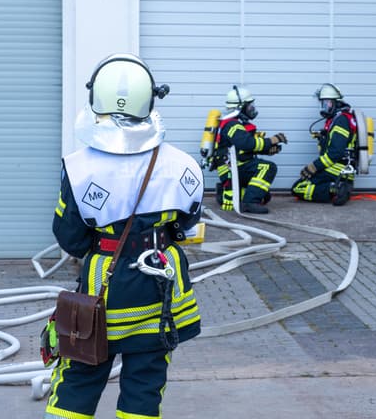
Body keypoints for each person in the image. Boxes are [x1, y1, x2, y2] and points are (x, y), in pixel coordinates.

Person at [44, 54, 202, 419]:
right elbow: (187, 224)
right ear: (151, 99)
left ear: (94, 98)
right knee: (146, 385)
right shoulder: (183, 164)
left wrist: (102, 247)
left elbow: (69, 236)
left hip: (104, 286)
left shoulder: (78, 166)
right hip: (161, 286)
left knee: (79, 377)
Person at [212, 85, 285, 214]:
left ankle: (231, 193)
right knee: (268, 167)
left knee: (265, 195)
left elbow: (243, 149)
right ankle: (249, 203)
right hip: (233, 170)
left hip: (237, 167)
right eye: (250, 106)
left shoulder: (235, 123)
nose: (253, 109)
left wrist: (267, 150)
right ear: (240, 107)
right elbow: (247, 144)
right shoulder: (232, 125)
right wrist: (271, 141)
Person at [291, 83, 355, 206]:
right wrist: (323, 137)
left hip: (337, 169)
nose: (324, 106)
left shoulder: (341, 121)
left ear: (336, 102)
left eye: (327, 103)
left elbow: (335, 153)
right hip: (340, 169)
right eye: (323, 103)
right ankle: (338, 187)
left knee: (298, 188)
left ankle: (336, 188)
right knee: (302, 185)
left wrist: (314, 167)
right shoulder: (339, 118)